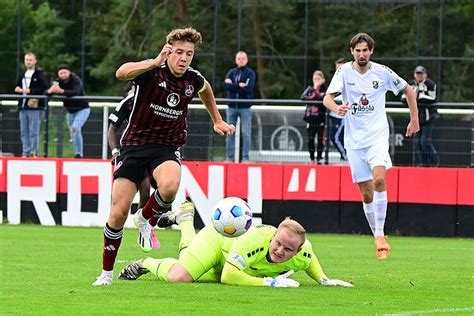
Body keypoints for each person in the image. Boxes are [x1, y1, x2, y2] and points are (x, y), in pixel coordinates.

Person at [92, 27, 235, 286]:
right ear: (169, 51)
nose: (184, 58)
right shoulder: (151, 72)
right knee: (117, 214)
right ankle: (106, 274)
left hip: (166, 147)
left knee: (169, 186)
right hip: (134, 147)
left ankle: (146, 218)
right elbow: (121, 72)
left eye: (189, 54)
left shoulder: (193, 79)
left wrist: (217, 119)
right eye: (179, 52)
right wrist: (154, 61)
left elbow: (206, 89)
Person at [323, 33, 419, 260]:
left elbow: (409, 90)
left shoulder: (382, 72)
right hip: (354, 142)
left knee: (379, 179)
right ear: (352, 52)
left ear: (371, 51)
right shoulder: (344, 71)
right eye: (358, 50)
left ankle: (380, 236)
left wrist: (414, 120)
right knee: (366, 194)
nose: (361, 54)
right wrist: (336, 108)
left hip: (377, 136)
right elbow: (328, 98)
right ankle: (376, 233)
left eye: (365, 50)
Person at [118, 201, 353, 288]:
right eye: (278, 243)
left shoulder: (305, 253)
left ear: (298, 250)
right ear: (272, 237)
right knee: (179, 276)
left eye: (288, 249)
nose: (280, 250)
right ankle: (146, 262)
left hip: (229, 264)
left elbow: (312, 263)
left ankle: (185, 219)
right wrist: (268, 283)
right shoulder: (255, 240)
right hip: (218, 243)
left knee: (191, 264)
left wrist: (324, 280)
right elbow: (229, 277)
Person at [47, 64, 90, 158]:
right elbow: (47, 93)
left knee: (75, 128)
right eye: (61, 73)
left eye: (64, 72)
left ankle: (79, 154)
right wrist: (50, 91)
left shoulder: (76, 79)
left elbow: (76, 92)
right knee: (72, 133)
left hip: (82, 109)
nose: (63, 74)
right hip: (70, 112)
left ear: (69, 72)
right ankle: (76, 153)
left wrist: (61, 91)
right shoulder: (57, 82)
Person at [401, 66, 439, 167]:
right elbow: (403, 98)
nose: (419, 75)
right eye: (417, 73)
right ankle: (424, 164)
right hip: (416, 118)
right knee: (418, 142)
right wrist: (414, 96)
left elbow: (432, 98)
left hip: (427, 117)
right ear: (414, 74)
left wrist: (416, 96)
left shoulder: (430, 84)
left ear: (425, 74)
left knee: (425, 141)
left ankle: (434, 161)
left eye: (421, 73)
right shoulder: (410, 84)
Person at [223, 51, 256, 162]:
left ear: (246, 60)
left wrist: (232, 85)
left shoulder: (250, 73)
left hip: (245, 108)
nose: (241, 60)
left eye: (243, 58)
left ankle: (245, 158)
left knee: (246, 133)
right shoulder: (231, 72)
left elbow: (249, 89)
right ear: (236, 60)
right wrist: (238, 85)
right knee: (229, 133)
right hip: (231, 107)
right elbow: (225, 86)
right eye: (239, 58)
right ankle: (229, 158)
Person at [14, 52, 48, 158]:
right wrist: (18, 89)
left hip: (34, 107)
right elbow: (17, 86)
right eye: (26, 60)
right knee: (24, 131)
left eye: (30, 60)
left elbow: (44, 88)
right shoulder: (22, 74)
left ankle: (35, 152)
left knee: (34, 131)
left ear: (35, 61)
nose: (28, 62)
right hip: (23, 106)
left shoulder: (40, 74)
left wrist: (30, 91)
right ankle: (26, 152)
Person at [301, 70, 327, 165]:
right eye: (315, 79)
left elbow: (322, 99)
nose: (316, 81)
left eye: (318, 79)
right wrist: (314, 91)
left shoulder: (325, 90)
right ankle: (312, 158)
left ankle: (319, 158)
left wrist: (314, 96)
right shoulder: (309, 89)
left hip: (320, 119)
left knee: (320, 139)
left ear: (322, 80)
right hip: (310, 119)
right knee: (310, 139)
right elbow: (303, 98)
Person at [328, 58, 348, 163]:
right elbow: (328, 97)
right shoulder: (335, 80)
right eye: (337, 68)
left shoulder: (348, 80)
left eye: (340, 67)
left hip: (343, 115)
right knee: (338, 137)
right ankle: (343, 158)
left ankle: (345, 158)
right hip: (334, 114)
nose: (338, 70)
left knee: (335, 137)